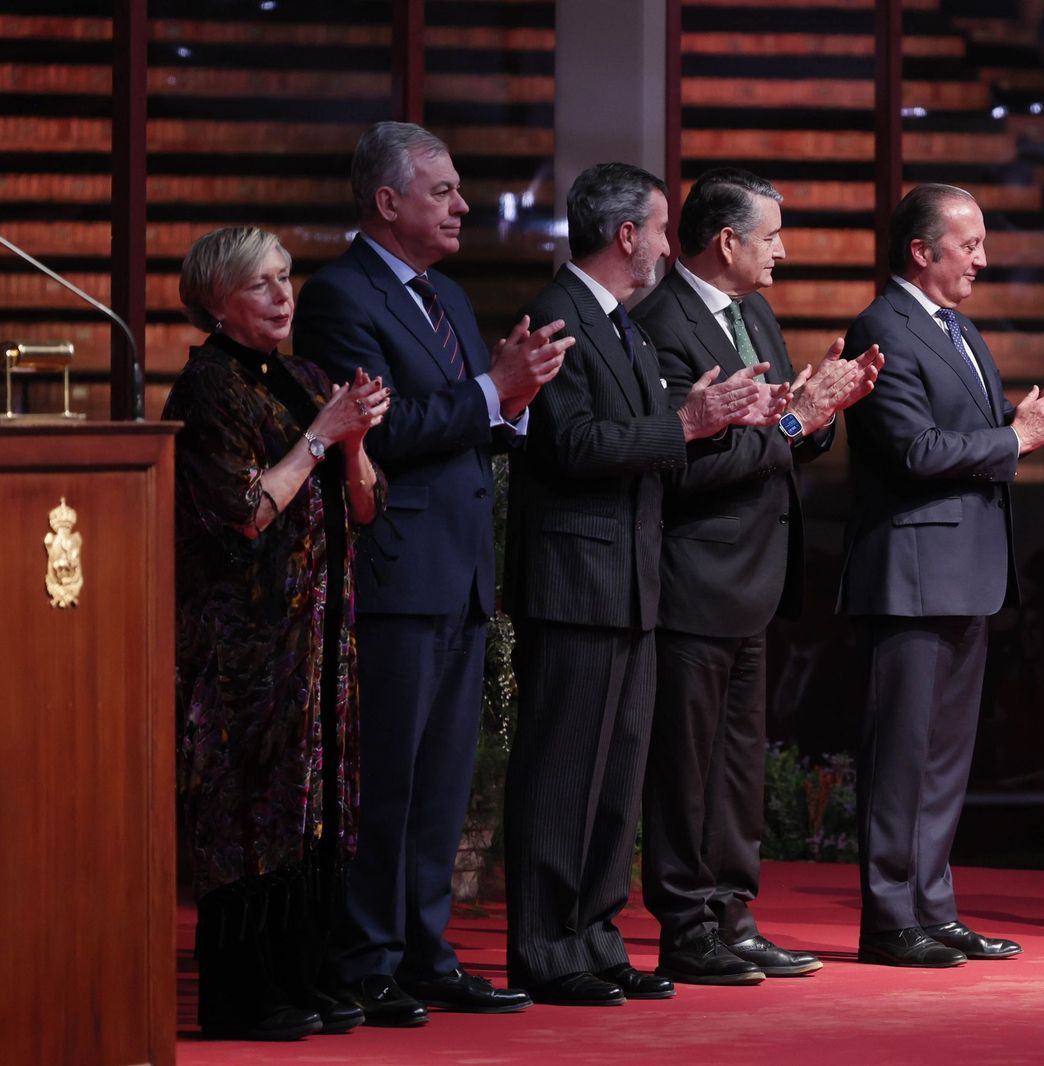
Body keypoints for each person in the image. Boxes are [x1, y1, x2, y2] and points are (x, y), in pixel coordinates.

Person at [295, 121, 568, 1025]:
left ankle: (426, 950)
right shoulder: (339, 296)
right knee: (390, 778)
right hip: (395, 567)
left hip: (460, 569)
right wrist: (494, 390)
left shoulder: (447, 294)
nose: (461, 206)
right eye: (443, 191)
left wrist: (514, 402)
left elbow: (469, 420)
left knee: (444, 780)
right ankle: (366, 956)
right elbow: (382, 430)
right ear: (388, 202)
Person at [501, 161, 778, 1006]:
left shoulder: (617, 321)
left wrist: (710, 420)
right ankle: (547, 949)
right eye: (659, 229)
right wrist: (688, 424)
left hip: (630, 581)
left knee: (615, 779)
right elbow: (572, 444)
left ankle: (594, 934)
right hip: (576, 579)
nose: (667, 243)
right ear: (627, 235)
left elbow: (636, 436)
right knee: (561, 778)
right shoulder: (559, 314)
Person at [838, 183, 1044, 967]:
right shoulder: (879, 328)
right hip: (910, 573)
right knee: (901, 759)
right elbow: (914, 451)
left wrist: (1033, 415)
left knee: (946, 758)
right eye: (970, 245)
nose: (983, 260)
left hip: (964, 571)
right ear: (922, 252)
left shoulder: (955, 327)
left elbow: (977, 436)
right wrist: (1019, 436)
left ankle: (932, 905)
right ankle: (890, 920)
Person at [632, 167, 881, 985]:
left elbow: (780, 434)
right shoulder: (661, 325)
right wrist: (795, 418)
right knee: (684, 763)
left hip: (755, 576)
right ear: (727, 241)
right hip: (693, 572)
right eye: (770, 235)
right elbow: (676, 464)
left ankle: (734, 915)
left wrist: (818, 412)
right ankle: (685, 924)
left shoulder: (756, 315)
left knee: (738, 765)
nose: (782, 250)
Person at [166, 226, 388, 1040]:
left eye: (287, 277)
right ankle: (244, 995)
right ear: (219, 299)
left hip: (321, 638)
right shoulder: (208, 388)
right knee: (252, 813)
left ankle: (307, 975)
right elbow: (244, 513)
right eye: (261, 284)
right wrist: (325, 434)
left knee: (316, 810)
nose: (283, 295)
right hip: (246, 648)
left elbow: (364, 506)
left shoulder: (302, 376)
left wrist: (355, 442)